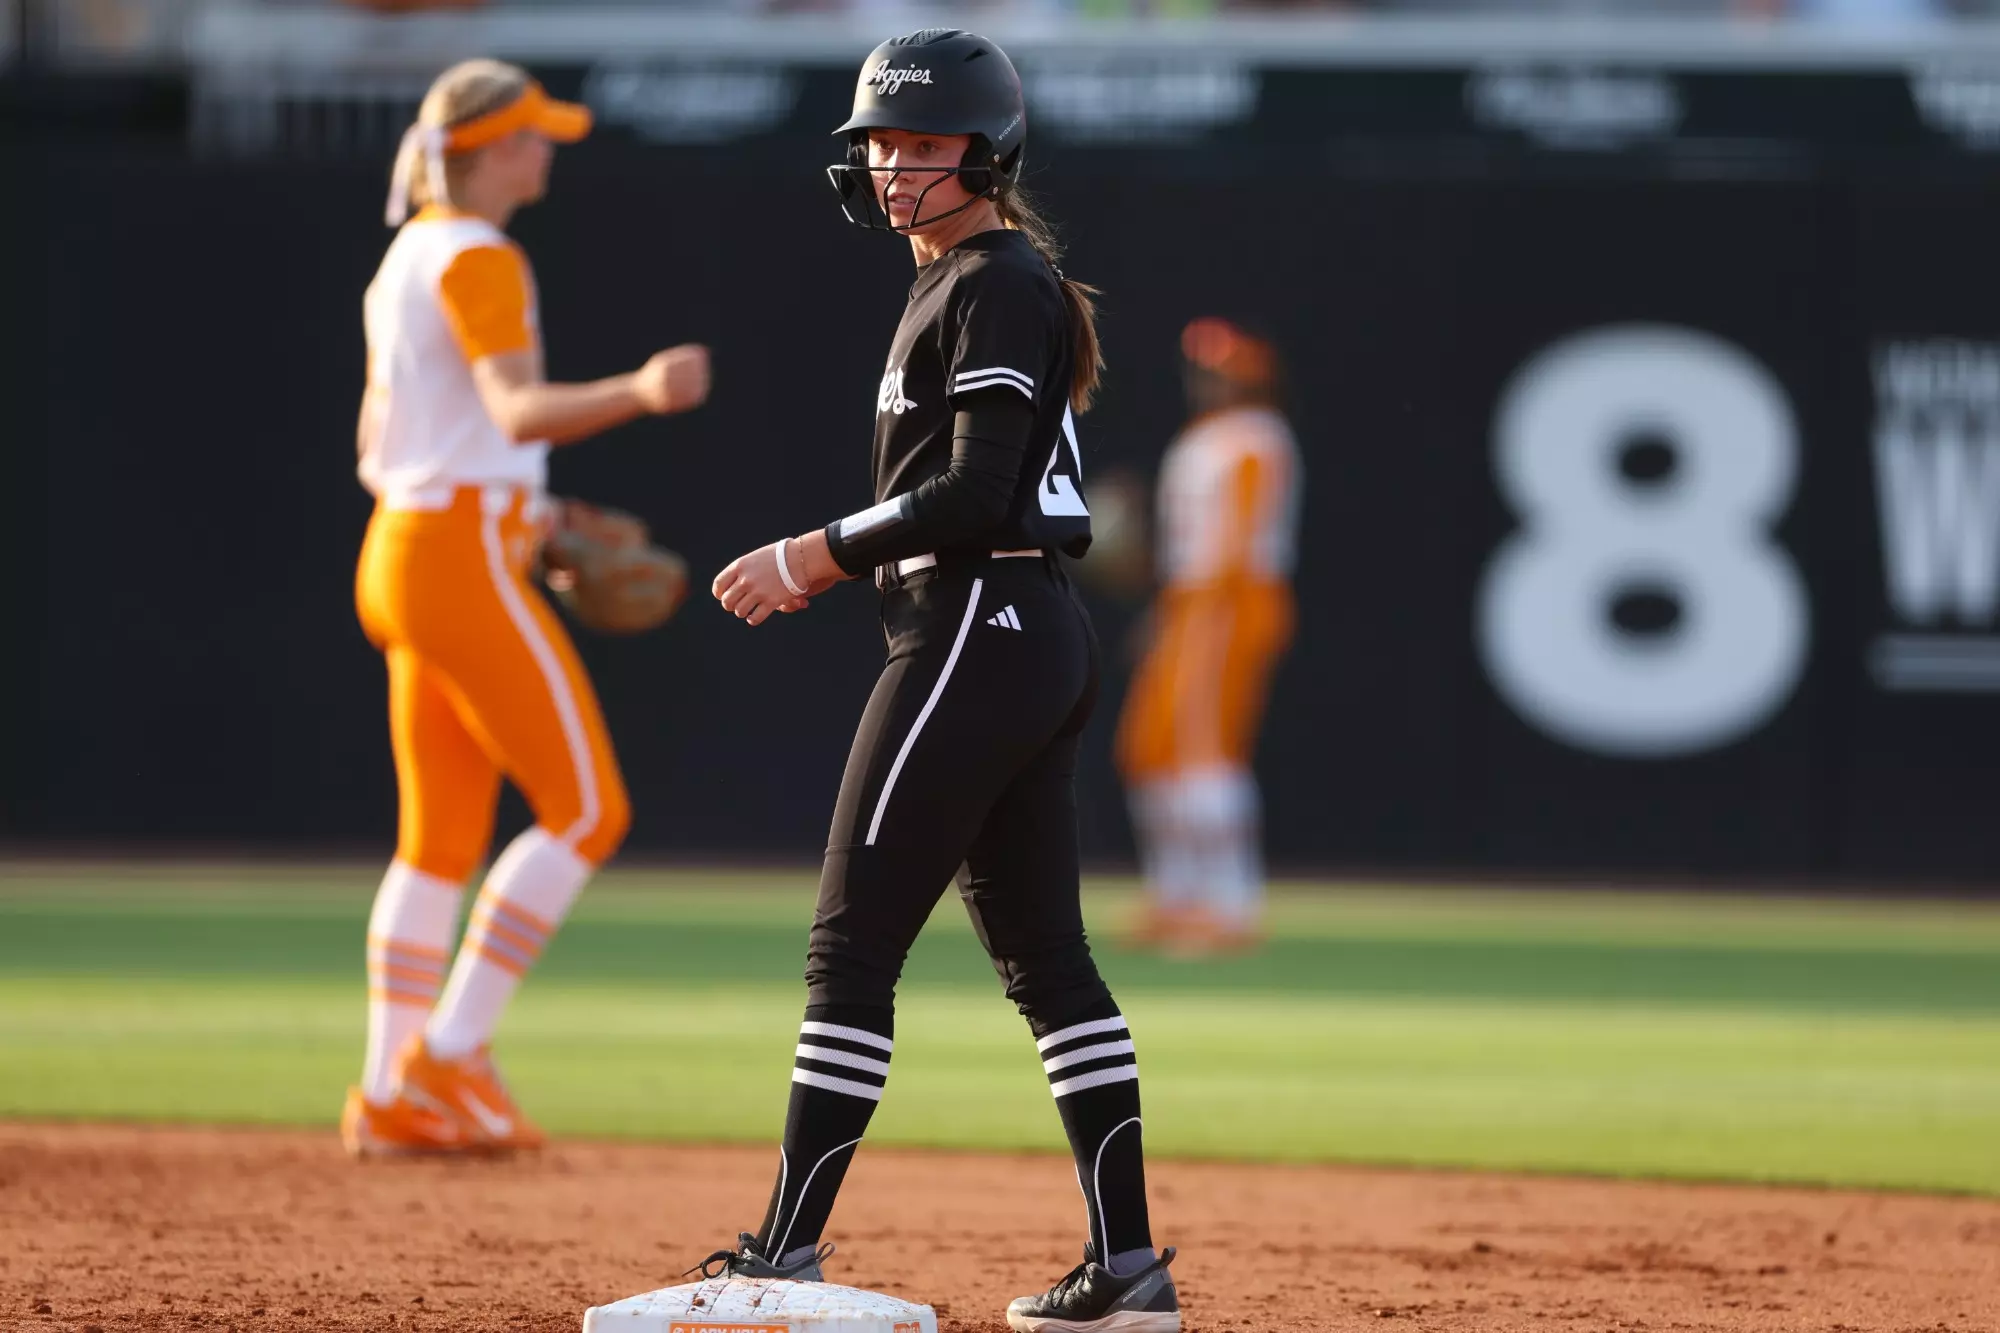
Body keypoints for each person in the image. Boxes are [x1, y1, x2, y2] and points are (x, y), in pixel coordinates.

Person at [701, 29, 1181, 1333]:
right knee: (1048, 964)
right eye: (882, 142)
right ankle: (1126, 1269)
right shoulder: (976, 278)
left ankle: (782, 1255)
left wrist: (813, 553)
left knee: (849, 949)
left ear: (989, 153)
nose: (895, 165)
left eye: (925, 142)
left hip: (977, 615)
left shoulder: (994, 279)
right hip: (1015, 626)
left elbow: (973, 490)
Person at [343, 58, 711, 1157]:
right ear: (491, 149)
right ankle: (449, 1052)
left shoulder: (411, 252)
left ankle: (389, 1090)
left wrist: (533, 513)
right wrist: (640, 391)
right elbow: (513, 408)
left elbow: (421, 434)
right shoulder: (479, 253)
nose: (546, 149)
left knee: (437, 841)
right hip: (455, 555)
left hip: (408, 544)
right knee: (588, 809)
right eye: (532, 135)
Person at [1116, 318, 1300, 956]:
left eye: (1220, 369)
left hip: (1229, 603)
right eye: (1203, 369)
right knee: (1150, 749)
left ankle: (1231, 904)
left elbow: (1232, 546)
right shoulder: (1209, 436)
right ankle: (1177, 896)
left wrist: (1193, 614)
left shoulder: (1255, 435)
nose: (1206, 379)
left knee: (1206, 755)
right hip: (1192, 604)